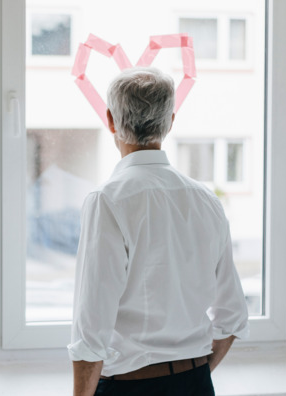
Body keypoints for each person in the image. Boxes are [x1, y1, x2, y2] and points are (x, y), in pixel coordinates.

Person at [68, 67, 249, 396]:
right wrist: (190, 376)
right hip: (196, 383)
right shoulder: (206, 200)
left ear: (110, 120)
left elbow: (90, 333)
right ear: (170, 122)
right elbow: (233, 316)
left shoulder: (107, 201)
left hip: (130, 388)